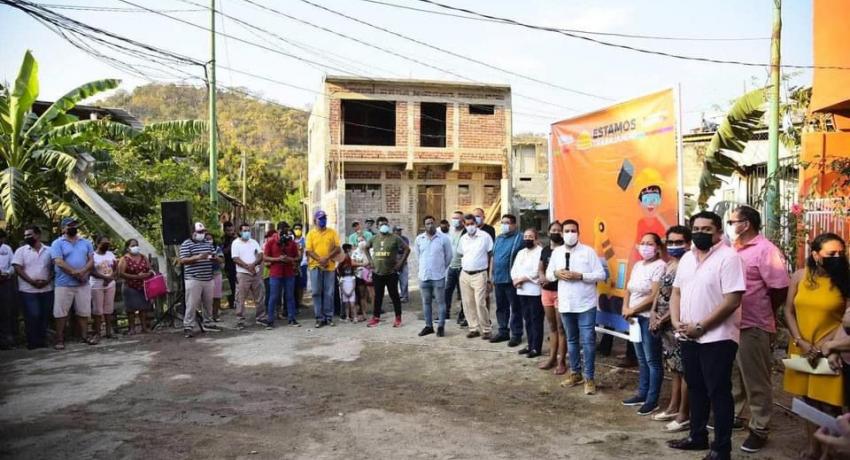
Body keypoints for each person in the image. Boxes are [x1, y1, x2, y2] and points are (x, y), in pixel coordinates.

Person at [667, 211, 746, 460]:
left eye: (707, 229)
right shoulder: (687, 259)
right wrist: (677, 321)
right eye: (697, 228)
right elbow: (676, 293)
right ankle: (696, 436)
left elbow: (732, 301)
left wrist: (701, 326)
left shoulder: (729, 258)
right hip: (688, 336)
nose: (701, 233)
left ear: (719, 232)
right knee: (696, 387)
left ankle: (721, 449)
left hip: (718, 337)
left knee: (718, 392)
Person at [726, 205, 790, 453]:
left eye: (733, 222)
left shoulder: (766, 251)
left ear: (747, 224)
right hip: (731, 323)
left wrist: (765, 312)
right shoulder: (734, 249)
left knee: (756, 378)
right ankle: (736, 415)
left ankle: (760, 428)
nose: (730, 226)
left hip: (754, 323)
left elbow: (779, 288)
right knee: (735, 375)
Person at [783, 233, 850, 460]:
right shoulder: (800, 276)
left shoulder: (845, 280)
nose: (837, 257)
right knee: (806, 400)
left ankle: (830, 452)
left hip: (831, 350)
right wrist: (800, 340)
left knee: (829, 404)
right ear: (815, 255)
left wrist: (825, 345)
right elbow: (788, 311)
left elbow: (846, 320)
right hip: (802, 347)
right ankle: (813, 447)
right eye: (831, 254)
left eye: (841, 253)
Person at [546, 219, 606, 395]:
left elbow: (600, 274)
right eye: (567, 231)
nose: (570, 234)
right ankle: (575, 373)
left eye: (573, 231)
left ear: (578, 233)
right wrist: (557, 273)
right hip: (566, 303)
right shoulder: (557, 253)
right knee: (571, 341)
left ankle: (589, 378)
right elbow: (549, 275)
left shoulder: (588, 252)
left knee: (587, 341)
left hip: (586, 304)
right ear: (562, 233)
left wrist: (580, 276)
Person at [649, 225, 692, 432]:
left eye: (679, 242)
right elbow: (659, 293)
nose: (674, 246)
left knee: (684, 370)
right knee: (674, 368)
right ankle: (673, 406)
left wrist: (664, 319)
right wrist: (652, 313)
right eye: (671, 242)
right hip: (663, 325)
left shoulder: (688, 265)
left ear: (688, 243)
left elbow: (680, 298)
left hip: (676, 323)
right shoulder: (669, 263)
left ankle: (684, 414)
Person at [621, 232, 666, 416]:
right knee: (641, 359)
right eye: (643, 243)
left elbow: (654, 295)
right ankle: (642, 392)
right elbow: (628, 290)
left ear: (657, 247)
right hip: (633, 318)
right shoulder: (638, 265)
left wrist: (634, 309)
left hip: (647, 317)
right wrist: (626, 308)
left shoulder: (660, 266)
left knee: (653, 360)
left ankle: (652, 399)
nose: (645, 246)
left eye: (650, 243)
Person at [51, 217, 95, 349]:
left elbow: (91, 260)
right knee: (61, 312)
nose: (73, 227)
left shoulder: (86, 242)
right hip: (64, 283)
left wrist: (83, 272)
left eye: (75, 224)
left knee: (83, 311)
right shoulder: (57, 243)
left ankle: (84, 336)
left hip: (83, 283)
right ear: (63, 228)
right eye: (69, 225)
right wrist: (75, 273)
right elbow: (58, 261)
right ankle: (59, 339)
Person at [13, 226, 53, 349]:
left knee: (44, 315)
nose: (26, 238)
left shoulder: (49, 250)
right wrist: (32, 282)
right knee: (32, 315)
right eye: (25, 235)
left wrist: (47, 280)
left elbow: (54, 267)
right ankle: (32, 341)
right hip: (28, 290)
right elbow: (17, 268)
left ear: (38, 235)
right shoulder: (21, 251)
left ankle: (42, 341)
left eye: (29, 235)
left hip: (46, 288)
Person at [366, 217, 409, 327]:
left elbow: (407, 249)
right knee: (378, 296)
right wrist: (370, 261)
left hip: (391, 273)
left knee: (394, 296)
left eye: (385, 224)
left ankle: (398, 318)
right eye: (381, 224)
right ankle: (376, 318)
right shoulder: (374, 238)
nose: (384, 226)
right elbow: (366, 248)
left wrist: (400, 263)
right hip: (377, 273)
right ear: (377, 226)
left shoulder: (395, 238)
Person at [414, 215, 453, 337]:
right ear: (424, 225)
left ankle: (441, 326)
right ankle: (428, 326)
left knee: (441, 302)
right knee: (426, 302)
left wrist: (440, 268)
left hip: (438, 276)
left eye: (432, 223)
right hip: (424, 276)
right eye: (427, 223)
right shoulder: (419, 239)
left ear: (435, 224)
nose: (430, 225)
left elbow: (449, 256)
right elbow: (418, 256)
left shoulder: (443, 239)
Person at [457, 213, 494, 339]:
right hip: (465, 273)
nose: (470, 226)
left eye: (472, 224)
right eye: (467, 224)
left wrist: (489, 277)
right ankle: (473, 328)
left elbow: (490, 255)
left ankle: (486, 329)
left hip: (480, 274)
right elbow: (462, 254)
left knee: (480, 303)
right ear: (464, 225)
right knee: (468, 303)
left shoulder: (485, 236)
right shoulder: (463, 239)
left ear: (476, 223)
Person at [178, 223, 217, 338]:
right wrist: (198, 257)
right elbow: (183, 260)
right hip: (193, 278)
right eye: (200, 232)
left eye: (203, 232)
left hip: (208, 277)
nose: (202, 234)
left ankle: (208, 322)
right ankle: (188, 326)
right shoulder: (186, 244)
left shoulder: (207, 243)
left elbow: (213, 255)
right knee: (191, 303)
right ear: (193, 233)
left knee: (208, 303)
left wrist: (214, 258)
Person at [491, 214, 524, 346]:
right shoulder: (499, 238)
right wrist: (491, 276)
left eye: (508, 223)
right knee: (501, 307)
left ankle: (516, 334)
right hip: (498, 278)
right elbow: (493, 257)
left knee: (515, 308)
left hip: (512, 280)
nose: (505, 225)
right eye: (502, 222)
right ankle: (503, 331)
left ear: (514, 225)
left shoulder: (519, 238)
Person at [538, 221, 567, 375]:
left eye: (559, 230)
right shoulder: (545, 250)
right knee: (552, 327)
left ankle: (562, 361)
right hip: (546, 292)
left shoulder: (564, 250)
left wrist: (551, 278)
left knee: (562, 328)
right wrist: (542, 277)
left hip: (561, 292)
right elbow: (541, 267)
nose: (556, 232)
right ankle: (552, 359)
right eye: (553, 230)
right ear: (548, 232)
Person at [511, 228, 544, 357]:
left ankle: (536, 347)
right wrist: (515, 280)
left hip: (534, 290)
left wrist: (523, 278)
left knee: (536, 319)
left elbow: (538, 271)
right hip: (521, 290)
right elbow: (514, 269)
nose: (527, 239)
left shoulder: (540, 252)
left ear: (536, 238)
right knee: (527, 319)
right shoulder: (521, 253)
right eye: (525, 236)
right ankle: (530, 344)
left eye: (530, 236)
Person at [306, 210, 341, 328]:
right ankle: (319, 318)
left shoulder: (332, 232)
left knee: (329, 293)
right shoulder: (310, 234)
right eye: (320, 218)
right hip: (315, 266)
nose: (323, 220)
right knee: (316, 292)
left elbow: (338, 248)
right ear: (315, 220)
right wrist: (320, 260)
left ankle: (328, 317)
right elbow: (309, 250)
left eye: (324, 218)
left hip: (329, 267)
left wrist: (327, 258)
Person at [265, 221, 301, 327]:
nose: (286, 232)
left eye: (287, 230)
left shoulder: (291, 242)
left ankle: (292, 318)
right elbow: (265, 257)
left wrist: (290, 259)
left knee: (290, 296)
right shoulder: (271, 241)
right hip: (275, 273)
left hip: (289, 272)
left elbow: (298, 257)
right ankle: (270, 320)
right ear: (279, 230)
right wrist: (277, 259)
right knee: (274, 296)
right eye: (284, 230)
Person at [231, 223, 265, 328]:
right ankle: (240, 320)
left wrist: (253, 265)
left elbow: (260, 255)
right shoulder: (235, 243)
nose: (247, 233)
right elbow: (235, 258)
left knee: (260, 296)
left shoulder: (253, 242)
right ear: (240, 232)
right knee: (240, 298)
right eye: (245, 231)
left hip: (255, 273)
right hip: (243, 274)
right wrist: (247, 267)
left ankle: (261, 317)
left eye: (248, 230)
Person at [117, 239, 154, 334]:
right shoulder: (124, 259)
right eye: (133, 245)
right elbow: (121, 273)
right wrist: (135, 277)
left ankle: (144, 327)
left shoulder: (143, 257)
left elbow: (150, 269)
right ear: (128, 247)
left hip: (143, 286)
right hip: (130, 286)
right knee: (130, 309)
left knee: (143, 308)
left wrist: (146, 274)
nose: (135, 247)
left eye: (136, 245)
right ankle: (132, 328)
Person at [89, 235, 117, 340]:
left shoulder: (110, 254)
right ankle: (97, 332)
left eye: (107, 243)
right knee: (98, 309)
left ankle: (109, 331)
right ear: (97, 244)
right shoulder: (93, 255)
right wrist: (104, 278)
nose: (106, 244)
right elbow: (91, 271)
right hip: (97, 284)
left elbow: (115, 267)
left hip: (110, 283)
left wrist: (110, 278)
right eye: (103, 243)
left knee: (108, 308)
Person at [445, 211, 466, 326]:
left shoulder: (466, 232)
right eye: (453, 218)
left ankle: (462, 314)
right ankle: (445, 312)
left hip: (462, 267)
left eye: (457, 218)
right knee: (447, 291)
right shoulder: (450, 232)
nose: (455, 220)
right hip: (451, 267)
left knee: (462, 293)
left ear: (462, 220)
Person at [0, 229, 16, 349]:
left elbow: (13, 264)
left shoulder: (7, 249)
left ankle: (7, 340)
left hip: (5, 283)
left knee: (6, 311)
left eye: (2, 239)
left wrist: (7, 273)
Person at [351, 235, 371, 322]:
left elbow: (372, 261)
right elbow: (352, 263)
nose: (361, 242)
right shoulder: (355, 252)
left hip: (369, 276)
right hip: (358, 275)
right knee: (359, 294)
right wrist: (362, 264)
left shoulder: (369, 251)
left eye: (362, 240)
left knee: (367, 295)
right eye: (359, 241)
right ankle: (358, 314)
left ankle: (365, 312)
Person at [205, 233, 225, 322]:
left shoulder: (217, 248)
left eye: (210, 238)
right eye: (207, 239)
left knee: (216, 296)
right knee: (206, 297)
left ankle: (215, 315)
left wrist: (215, 257)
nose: (209, 240)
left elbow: (222, 260)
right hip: (205, 274)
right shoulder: (200, 249)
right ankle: (206, 316)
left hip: (216, 273)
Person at [338, 244, 357, 323]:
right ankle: (347, 316)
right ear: (348, 249)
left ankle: (349, 316)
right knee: (347, 302)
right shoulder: (346, 257)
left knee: (347, 302)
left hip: (347, 278)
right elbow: (341, 267)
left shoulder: (344, 256)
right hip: (345, 278)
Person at [222, 221, 238, 310]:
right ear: (225, 230)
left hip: (238, 264)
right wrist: (232, 243)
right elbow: (224, 252)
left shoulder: (238, 238)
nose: (230, 232)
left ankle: (238, 302)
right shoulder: (223, 239)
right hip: (229, 265)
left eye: (231, 230)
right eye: (228, 230)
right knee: (231, 285)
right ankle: (231, 303)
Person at [394, 225, 411, 303]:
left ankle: (405, 296)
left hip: (403, 262)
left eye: (400, 230)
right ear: (394, 231)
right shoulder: (391, 239)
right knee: (394, 282)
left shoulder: (404, 239)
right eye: (397, 230)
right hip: (393, 263)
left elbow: (405, 250)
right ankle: (396, 297)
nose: (399, 232)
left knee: (404, 280)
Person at [293, 223, 307, 308]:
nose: (297, 230)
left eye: (299, 228)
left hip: (303, 264)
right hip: (294, 265)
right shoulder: (292, 240)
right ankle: (295, 301)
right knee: (294, 284)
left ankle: (300, 301)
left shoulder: (304, 240)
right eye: (296, 228)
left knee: (302, 284)